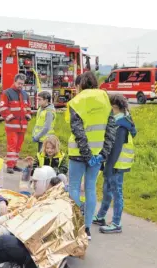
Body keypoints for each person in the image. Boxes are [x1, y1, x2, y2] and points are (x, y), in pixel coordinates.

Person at [68, 71, 116, 240]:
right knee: (90, 188)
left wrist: (86, 154)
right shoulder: (105, 98)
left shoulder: (76, 101)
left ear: (80, 84)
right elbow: (111, 127)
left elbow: (78, 130)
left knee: (73, 187)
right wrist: (103, 153)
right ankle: (87, 229)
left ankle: (75, 225)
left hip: (78, 153)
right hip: (97, 153)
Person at [93, 94, 137, 233]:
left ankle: (117, 223)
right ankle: (101, 216)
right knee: (107, 190)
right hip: (113, 164)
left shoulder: (121, 126)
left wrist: (109, 167)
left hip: (117, 165)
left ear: (114, 107)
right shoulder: (119, 121)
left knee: (116, 192)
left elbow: (116, 149)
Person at [0, 73, 32, 174]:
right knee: (12, 146)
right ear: (14, 82)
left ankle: (14, 164)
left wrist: (28, 114)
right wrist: (11, 117)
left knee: (18, 147)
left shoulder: (25, 95)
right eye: (19, 83)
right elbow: (3, 108)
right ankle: (9, 165)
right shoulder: (7, 93)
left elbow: (28, 108)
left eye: (22, 84)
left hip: (22, 126)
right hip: (12, 125)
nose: (20, 85)